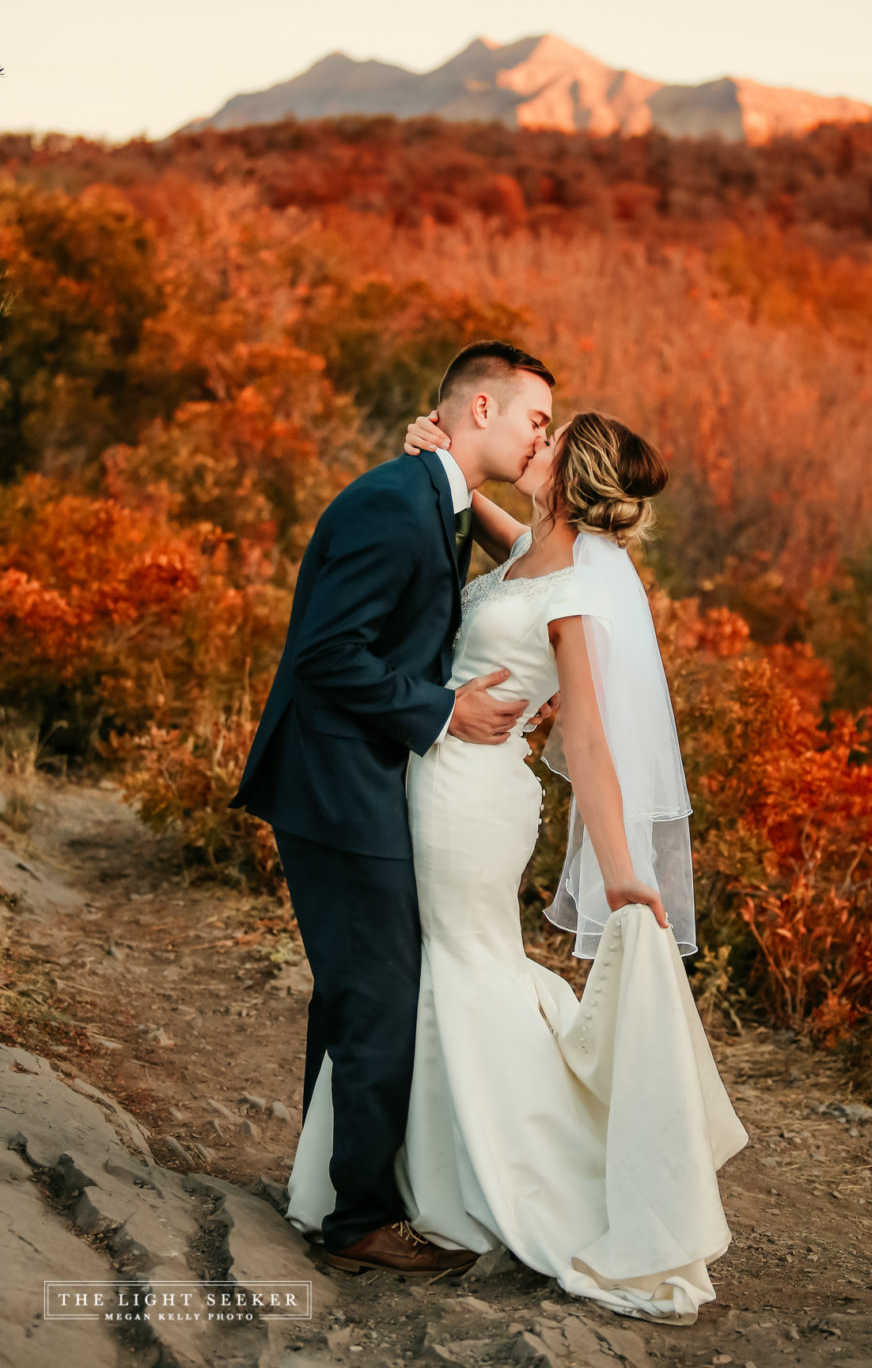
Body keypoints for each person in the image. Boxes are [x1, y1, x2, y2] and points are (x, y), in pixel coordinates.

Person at [285, 406, 749, 1321]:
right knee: (410, 972)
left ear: (569, 477)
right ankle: (397, 1177)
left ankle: (521, 1177)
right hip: (432, 774)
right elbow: (512, 562)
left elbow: (589, 736)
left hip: (472, 800)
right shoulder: (537, 554)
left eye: (549, 441)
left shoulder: (582, 588)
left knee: (461, 969)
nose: (532, 446)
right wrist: (443, 459)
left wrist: (622, 872)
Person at [230, 341, 561, 1274]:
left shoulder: (433, 499)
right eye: (535, 416)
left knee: (356, 990)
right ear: (481, 409)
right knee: (380, 990)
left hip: (366, 778)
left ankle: (329, 1186)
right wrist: (447, 708)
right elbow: (329, 655)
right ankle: (359, 1224)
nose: (542, 432)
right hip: (337, 783)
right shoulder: (393, 503)